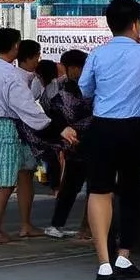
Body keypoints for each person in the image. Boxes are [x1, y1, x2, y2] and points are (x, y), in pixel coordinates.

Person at [79, 0, 140, 280]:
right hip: (134, 128)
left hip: (102, 127)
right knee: (130, 191)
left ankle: (104, 264)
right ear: (136, 24)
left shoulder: (97, 54)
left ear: (110, 25)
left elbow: (85, 89)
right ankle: (124, 256)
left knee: (99, 191)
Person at [0, 28, 76, 245]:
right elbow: (26, 107)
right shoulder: (10, 74)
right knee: (5, 183)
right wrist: (57, 128)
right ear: (15, 47)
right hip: (6, 126)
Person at [37, 51, 93, 240]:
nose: (77, 72)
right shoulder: (60, 88)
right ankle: (63, 225)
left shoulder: (85, 86)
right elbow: (49, 113)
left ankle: (84, 227)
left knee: (88, 188)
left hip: (84, 142)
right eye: (75, 68)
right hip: (75, 144)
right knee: (75, 187)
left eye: (79, 67)